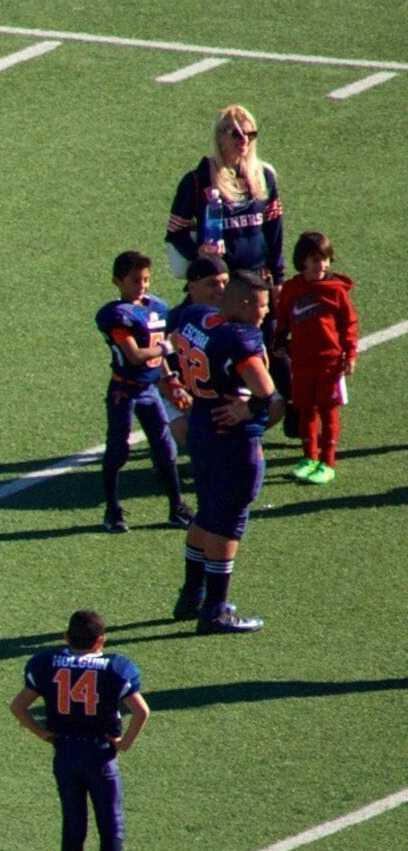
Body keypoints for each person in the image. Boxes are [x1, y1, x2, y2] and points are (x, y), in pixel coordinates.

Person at [12, 607, 146, 851]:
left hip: (66, 753)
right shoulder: (115, 667)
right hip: (100, 755)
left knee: (74, 826)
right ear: (101, 640)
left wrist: (43, 733)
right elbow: (141, 712)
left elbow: (18, 706)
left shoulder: (46, 662)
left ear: (65, 637)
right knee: (111, 825)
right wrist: (125, 743)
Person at [174, 260, 274, 633]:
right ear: (246, 305)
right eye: (263, 306)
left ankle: (191, 595)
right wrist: (249, 407)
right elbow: (266, 392)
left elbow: (173, 350)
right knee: (229, 522)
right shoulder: (240, 338)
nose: (266, 313)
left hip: (201, 424)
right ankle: (215, 610)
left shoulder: (195, 318)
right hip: (230, 438)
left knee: (208, 512)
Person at [96, 250, 184, 533]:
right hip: (124, 390)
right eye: (135, 280)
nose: (142, 286)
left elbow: (157, 358)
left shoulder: (156, 307)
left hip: (149, 388)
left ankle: (177, 507)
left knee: (165, 449)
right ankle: (112, 510)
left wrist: (170, 380)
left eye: (146, 279)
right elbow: (134, 355)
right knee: (118, 451)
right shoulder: (118, 315)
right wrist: (164, 349)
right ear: (118, 282)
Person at [164, 104, 282, 288]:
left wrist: (278, 278)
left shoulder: (264, 176)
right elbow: (176, 231)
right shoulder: (198, 180)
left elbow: (274, 231)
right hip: (217, 283)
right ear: (220, 137)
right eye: (237, 134)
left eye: (251, 135)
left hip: (257, 281)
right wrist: (198, 252)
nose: (245, 140)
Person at [277, 231, 358, 485]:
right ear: (302, 261)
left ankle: (328, 462)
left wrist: (350, 354)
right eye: (314, 259)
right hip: (300, 362)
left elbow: (349, 325)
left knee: (327, 412)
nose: (320, 265)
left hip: (329, 364)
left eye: (324, 259)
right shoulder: (292, 289)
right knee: (305, 411)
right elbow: (283, 320)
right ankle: (309, 457)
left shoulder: (336, 291)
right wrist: (279, 341)